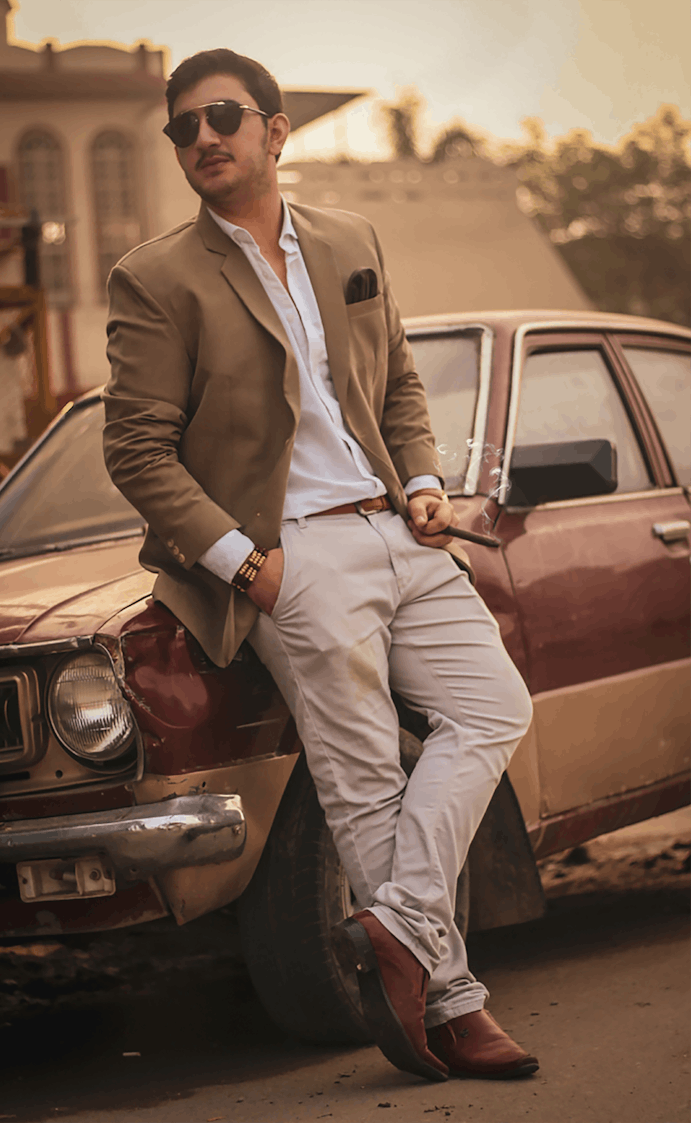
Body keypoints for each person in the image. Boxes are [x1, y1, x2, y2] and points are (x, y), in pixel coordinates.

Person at [103, 47, 537, 1083]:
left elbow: (397, 391)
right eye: (183, 129)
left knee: (493, 708)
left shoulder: (350, 238)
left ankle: (394, 925)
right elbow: (135, 450)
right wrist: (246, 564)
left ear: (275, 129)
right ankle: (457, 1005)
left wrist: (424, 482)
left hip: (399, 529)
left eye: (222, 117)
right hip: (291, 556)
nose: (202, 138)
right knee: (366, 785)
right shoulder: (156, 277)